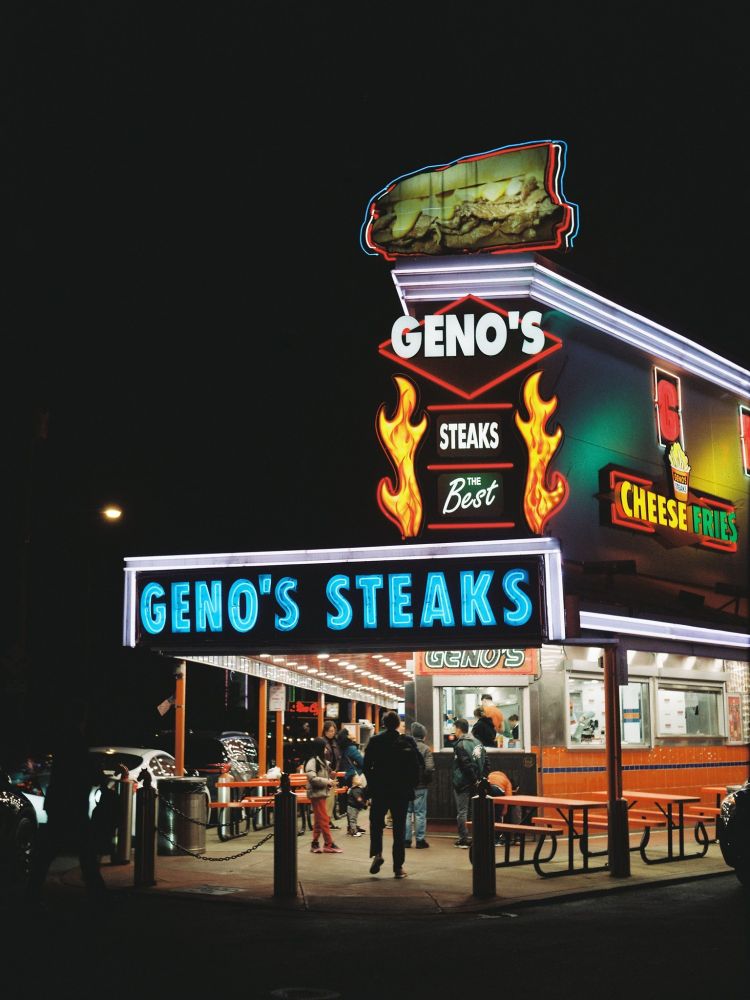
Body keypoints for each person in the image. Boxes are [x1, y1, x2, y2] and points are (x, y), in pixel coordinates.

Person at [26, 698, 109, 906]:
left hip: (60, 805)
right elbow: (82, 773)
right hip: (72, 807)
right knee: (82, 851)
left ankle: (33, 891)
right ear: (82, 716)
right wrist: (98, 775)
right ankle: (97, 894)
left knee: (52, 850)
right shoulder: (76, 740)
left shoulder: (65, 738)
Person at [363, 710, 421, 879]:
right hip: (401, 792)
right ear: (397, 724)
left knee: (376, 824)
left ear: (383, 724)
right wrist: (411, 785)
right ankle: (398, 867)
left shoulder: (375, 741)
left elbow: (366, 767)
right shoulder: (407, 741)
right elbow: (416, 765)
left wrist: (373, 784)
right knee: (399, 828)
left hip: (380, 790)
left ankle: (377, 854)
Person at [304, 736, 343, 854]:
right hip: (316, 794)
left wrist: (330, 779)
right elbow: (312, 778)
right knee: (324, 819)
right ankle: (328, 843)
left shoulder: (321, 762)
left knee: (318, 820)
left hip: (320, 793)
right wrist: (328, 782)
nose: (326, 749)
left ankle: (315, 844)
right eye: (324, 747)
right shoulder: (313, 762)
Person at [451, 717, 486, 848]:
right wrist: (480, 779)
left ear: (459, 729)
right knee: (474, 811)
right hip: (476, 783)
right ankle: (476, 836)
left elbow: (465, 765)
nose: (454, 731)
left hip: (462, 783)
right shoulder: (478, 743)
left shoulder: (460, 745)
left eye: (454, 728)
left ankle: (464, 838)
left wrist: (473, 780)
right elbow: (486, 761)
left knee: (462, 812)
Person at [404, 722, 434, 849]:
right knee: (420, 813)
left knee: (406, 813)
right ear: (424, 736)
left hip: (405, 786)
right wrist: (426, 781)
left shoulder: (405, 747)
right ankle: (420, 840)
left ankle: (406, 840)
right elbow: (429, 768)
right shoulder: (426, 749)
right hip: (420, 786)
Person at [321, 719, 342, 828]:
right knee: (326, 799)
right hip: (324, 775)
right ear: (325, 731)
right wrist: (330, 771)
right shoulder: (321, 742)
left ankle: (328, 820)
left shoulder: (335, 743)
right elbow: (321, 760)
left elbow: (338, 758)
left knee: (331, 799)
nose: (332, 733)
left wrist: (335, 771)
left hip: (333, 775)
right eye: (329, 731)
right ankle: (324, 821)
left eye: (333, 731)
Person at [345, 773, 368, 837]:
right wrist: (364, 805)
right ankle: (354, 831)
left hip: (355, 807)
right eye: (357, 778)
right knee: (352, 819)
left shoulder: (358, 788)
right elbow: (358, 799)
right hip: (352, 807)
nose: (360, 779)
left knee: (353, 819)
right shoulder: (355, 790)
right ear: (353, 782)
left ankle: (353, 828)